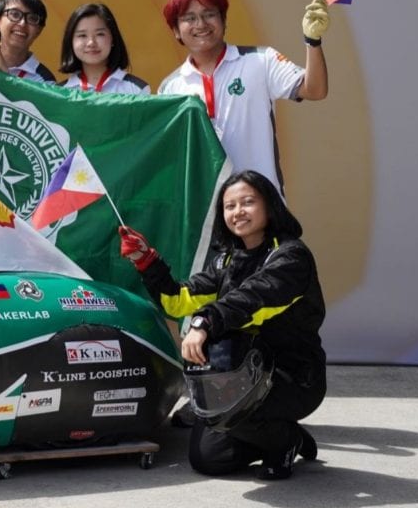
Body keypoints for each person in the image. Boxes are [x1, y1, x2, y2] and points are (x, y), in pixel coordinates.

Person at [118, 169, 325, 480]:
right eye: (229, 206)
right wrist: (147, 262)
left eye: (247, 202)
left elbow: (253, 300)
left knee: (236, 416)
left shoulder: (290, 256)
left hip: (291, 378)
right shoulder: (227, 260)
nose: (238, 212)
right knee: (209, 459)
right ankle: (283, 434)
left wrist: (204, 323)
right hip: (239, 374)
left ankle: (283, 440)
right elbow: (178, 300)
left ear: (269, 205)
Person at [157, 0, 329, 196]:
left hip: (262, 203)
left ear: (224, 21)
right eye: (189, 18)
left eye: (209, 14)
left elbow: (315, 90)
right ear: (176, 31)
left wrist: (312, 41)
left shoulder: (260, 60)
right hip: (205, 210)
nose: (200, 24)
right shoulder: (170, 87)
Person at [57, 2, 150, 94]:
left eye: (100, 34)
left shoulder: (137, 90)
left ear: (113, 38)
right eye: (82, 35)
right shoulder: (58, 93)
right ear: (70, 41)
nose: (91, 43)